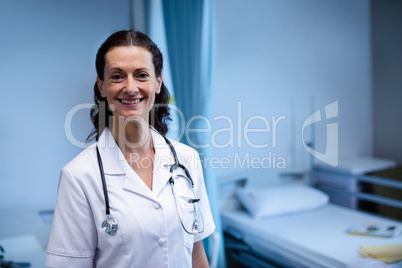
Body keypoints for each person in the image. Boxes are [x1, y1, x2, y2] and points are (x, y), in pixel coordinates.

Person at [46, 30, 215, 267]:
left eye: (142, 75)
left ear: (158, 83)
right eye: (117, 76)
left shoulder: (187, 159)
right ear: (102, 86)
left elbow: (196, 253)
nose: (130, 87)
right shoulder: (79, 177)